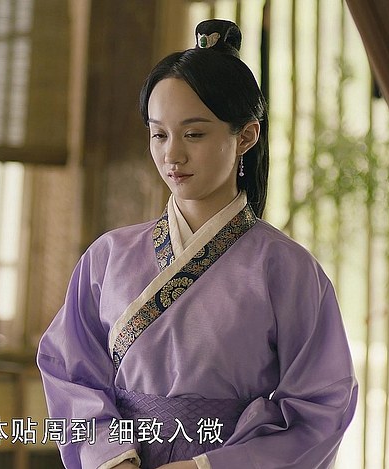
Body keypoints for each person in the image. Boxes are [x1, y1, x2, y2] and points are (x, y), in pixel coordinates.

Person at [37, 18, 357, 469]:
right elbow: (71, 372)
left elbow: (321, 408)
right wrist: (111, 455)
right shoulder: (108, 257)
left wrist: (204, 467)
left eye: (194, 134)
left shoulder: (287, 269)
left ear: (246, 136)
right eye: (159, 134)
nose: (172, 155)